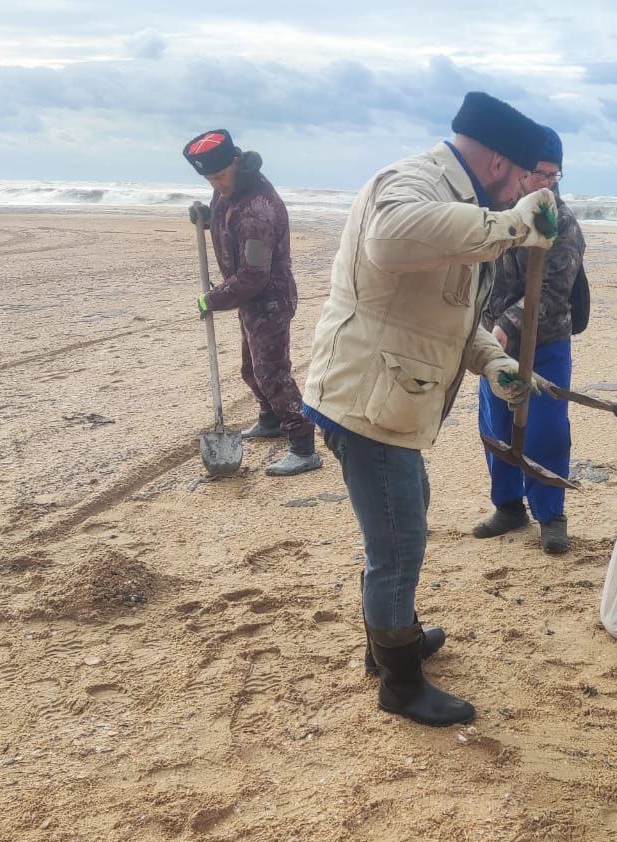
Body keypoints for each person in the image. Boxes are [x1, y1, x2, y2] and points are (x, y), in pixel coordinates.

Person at [302, 92, 557, 727]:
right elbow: (389, 240)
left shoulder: (466, 204)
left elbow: (445, 319)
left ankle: (389, 639)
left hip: (390, 398)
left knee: (399, 521)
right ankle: (399, 681)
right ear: (499, 163)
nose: (528, 189)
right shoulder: (412, 183)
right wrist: (514, 227)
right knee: (399, 542)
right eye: (527, 178)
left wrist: (494, 365)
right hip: (367, 400)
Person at [183, 129, 321, 477]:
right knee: (251, 369)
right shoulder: (230, 192)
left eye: (219, 176)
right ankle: (269, 419)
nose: (216, 184)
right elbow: (227, 220)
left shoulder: (257, 210)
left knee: (273, 373)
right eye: (209, 179)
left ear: (235, 162)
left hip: (269, 301)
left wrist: (213, 300)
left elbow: (254, 275)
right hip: (249, 301)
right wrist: (207, 218)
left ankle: (303, 446)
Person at [474, 125, 586, 555]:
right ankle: (508, 506)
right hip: (492, 341)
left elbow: (554, 292)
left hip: (546, 341)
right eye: (537, 173)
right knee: (496, 423)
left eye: (553, 176)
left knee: (546, 429)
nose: (544, 184)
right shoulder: (497, 213)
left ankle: (550, 514)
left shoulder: (565, 227)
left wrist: (507, 326)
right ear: (518, 170)